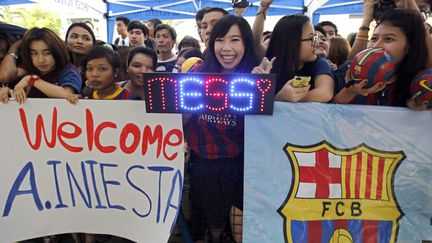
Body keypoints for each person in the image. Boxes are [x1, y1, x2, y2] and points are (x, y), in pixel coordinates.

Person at [187, 14, 259, 243]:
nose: (226, 48)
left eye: (235, 40)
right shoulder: (197, 73)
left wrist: (273, 95)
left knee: (239, 216)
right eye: (220, 40)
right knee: (212, 217)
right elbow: (181, 117)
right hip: (205, 161)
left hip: (243, 163)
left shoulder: (256, 77)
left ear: (246, 43)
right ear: (211, 42)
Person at [333, 8, 429, 109]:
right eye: (374, 38)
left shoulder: (420, 83)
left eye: (388, 39)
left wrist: (411, 108)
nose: (376, 46)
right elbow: (325, 112)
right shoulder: (348, 70)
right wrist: (350, 91)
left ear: (410, 46)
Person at [256, 14, 334, 103]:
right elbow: (256, 106)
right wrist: (278, 98)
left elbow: (325, 93)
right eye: (311, 38)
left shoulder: (320, 63)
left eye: (314, 37)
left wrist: (284, 100)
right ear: (291, 43)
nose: (316, 43)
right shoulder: (268, 68)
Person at [11, 27, 82, 104]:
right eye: (34, 53)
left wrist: (32, 80)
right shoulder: (30, 72)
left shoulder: (69, 71)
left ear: (57, 51)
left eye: (47, 53)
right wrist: (9, 92)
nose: (41, 60)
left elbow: (67, 94)